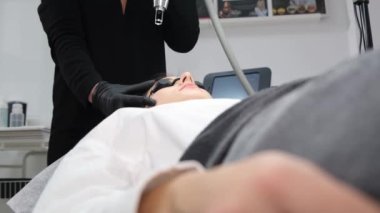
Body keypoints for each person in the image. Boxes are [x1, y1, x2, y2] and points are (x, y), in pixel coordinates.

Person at [9, 51, 380, 212]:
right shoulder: (132, 123)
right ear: (147, 101)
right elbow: (69, 205)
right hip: (246, 143)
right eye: (169, 82)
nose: (186, 76)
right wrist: (173, 200)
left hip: (294, 97)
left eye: (192, 78)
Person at [37, 0, 200, 165]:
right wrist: (98, 92)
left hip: (142, 126)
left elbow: (184, 39)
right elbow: (66, 40)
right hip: (81, 123)